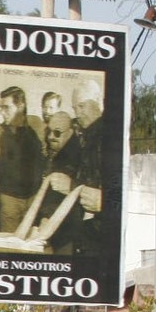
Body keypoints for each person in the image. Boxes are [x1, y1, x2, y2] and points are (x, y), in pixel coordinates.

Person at [47, 78, 105, 255]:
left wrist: (70, 186)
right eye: (75, 108)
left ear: (97, 102)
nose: (78, 113)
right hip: (87, 231)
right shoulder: (88, 136)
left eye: (82, 106)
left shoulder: (106, 136)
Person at [0, 86, 44, 232]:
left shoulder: (36, 125)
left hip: (34, 198)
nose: (2, 113)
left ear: (21, 106)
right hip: (10, 199)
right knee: (9, 245)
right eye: (1, 108)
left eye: (6, 108)